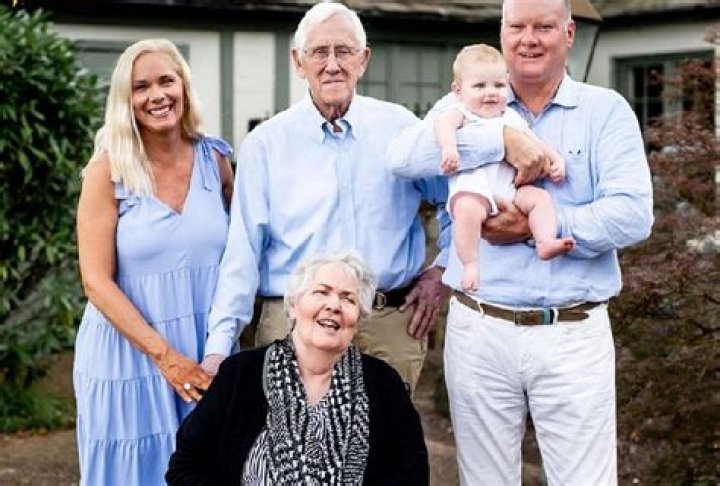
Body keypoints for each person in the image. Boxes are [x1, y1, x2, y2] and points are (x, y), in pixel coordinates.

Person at [387, 0, 654, 484]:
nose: (528, 39)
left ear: (569, 34)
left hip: (572, 331)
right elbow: (402, 158)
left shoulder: (605, 111)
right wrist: (500, 142)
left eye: (543, 27)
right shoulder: (470, 98)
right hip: (480, 327)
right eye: (517, 26)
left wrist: (534, 227)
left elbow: (633, 215)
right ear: (502, 31)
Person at [201, 2, 450, 395]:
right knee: (291, 435)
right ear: (298, 62)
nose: (332, 64)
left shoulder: (401, 129)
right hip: (294, 327)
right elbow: (243, 251)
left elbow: (455, 200)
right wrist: (219, 347)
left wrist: (442, 272)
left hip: (387, 325)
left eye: (344, 51)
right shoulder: (266, 144)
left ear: (363, 60)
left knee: (387, 436)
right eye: (319, 52)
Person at [73, 38, 234, 485]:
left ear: (184, 85)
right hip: (127, 356)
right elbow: (95, 281)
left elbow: (240, 257)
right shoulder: (107, 171)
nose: (157, 95)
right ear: (125, 100)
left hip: (204, 355)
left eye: (167, 81)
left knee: (206, 470)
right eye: (141, 87)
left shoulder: (216, 160)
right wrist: (164, 356)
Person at [166, 251, 429, 485]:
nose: (334, 305)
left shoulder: (383, 383)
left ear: (358, 318)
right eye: (321, 292)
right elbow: (185, 467)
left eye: (348, 299)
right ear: (293, 306)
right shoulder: (240, 374)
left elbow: (412, 474)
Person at [435, 43, 573, 291]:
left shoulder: (510, 116)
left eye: (498, 86)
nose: (490, 93)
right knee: (466, 212)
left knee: (540, 198)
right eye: (479, 86)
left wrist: (556, 160)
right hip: (474, 190)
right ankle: (470, 264)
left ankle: (544, 241)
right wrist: (449, 148)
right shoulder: (461, 112)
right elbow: (443, 127)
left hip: (510, 188)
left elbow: (534, 141)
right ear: (458, 90)